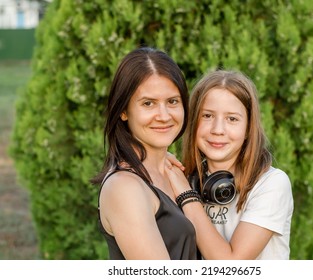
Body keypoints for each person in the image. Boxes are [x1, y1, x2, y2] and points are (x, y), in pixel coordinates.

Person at [165, 70, 294, 260]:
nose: (218, 129)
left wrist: (187, 196)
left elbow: (231, 266)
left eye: (232, 119)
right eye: (207, 116)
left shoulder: (272, 184)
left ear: (249, 128)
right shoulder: (187, 179)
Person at [91, 47, 198, 260]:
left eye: (172, 101)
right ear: (123, 111)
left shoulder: (173, 173)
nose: (164, 115)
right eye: (148, 104)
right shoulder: (124, 187)